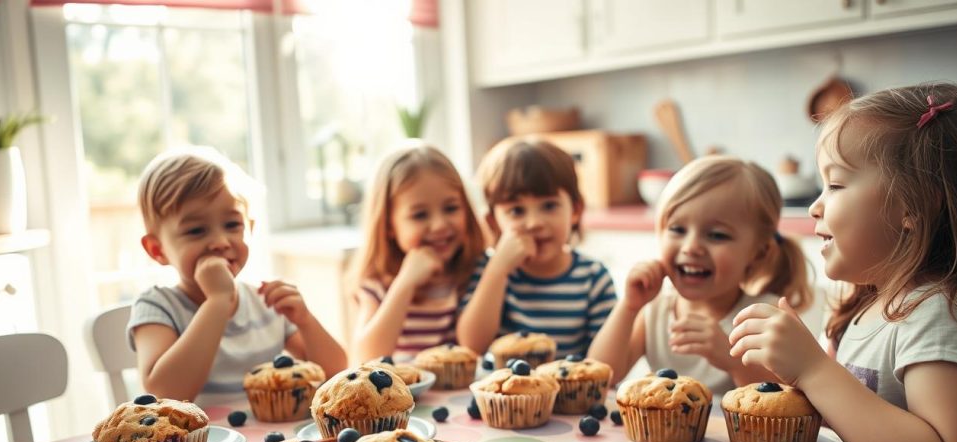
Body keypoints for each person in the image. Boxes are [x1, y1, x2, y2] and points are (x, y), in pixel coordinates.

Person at [728, 82, 957, 442]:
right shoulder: (867, 306)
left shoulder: (940, 313)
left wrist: (814, 371)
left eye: (836, 185)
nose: (816, 206)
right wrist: (791, 373)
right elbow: (848, 415)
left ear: (912, 205)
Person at [128, 147, 347, 400]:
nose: (220, 241)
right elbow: (165, 393)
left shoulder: (265, 302)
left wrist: (306, 321)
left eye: (233, 225)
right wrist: (218, 301)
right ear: (157, 250)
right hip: (200, 441)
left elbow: (336, 376)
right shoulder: (157, 307)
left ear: (249, 228)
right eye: (196, 230)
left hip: (272, 439)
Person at [589, 155, 811, 393]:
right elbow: (601, 375)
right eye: (677, 229)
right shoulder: (654, 310)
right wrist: (629, 307)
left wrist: (733, 360)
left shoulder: (762, 318)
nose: (691, 247)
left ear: (758, 252)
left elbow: (782, 401)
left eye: (716, 235)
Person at [457, 137, 617, 357]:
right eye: (516, 211)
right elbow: (471, 346)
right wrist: (498, 270)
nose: (534, 223)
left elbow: (605, 363)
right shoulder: (488, 270)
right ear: (494, 222)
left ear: (576, 210)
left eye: (549, 206)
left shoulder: (593, 278)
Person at [349, 141, 485, 362]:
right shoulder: (377, 284)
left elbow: (477, 347)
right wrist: (405, 283)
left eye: (451, 208)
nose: (439, 225)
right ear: (389, 225)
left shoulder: (476, 272)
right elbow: (365, 358)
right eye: (420, 215)